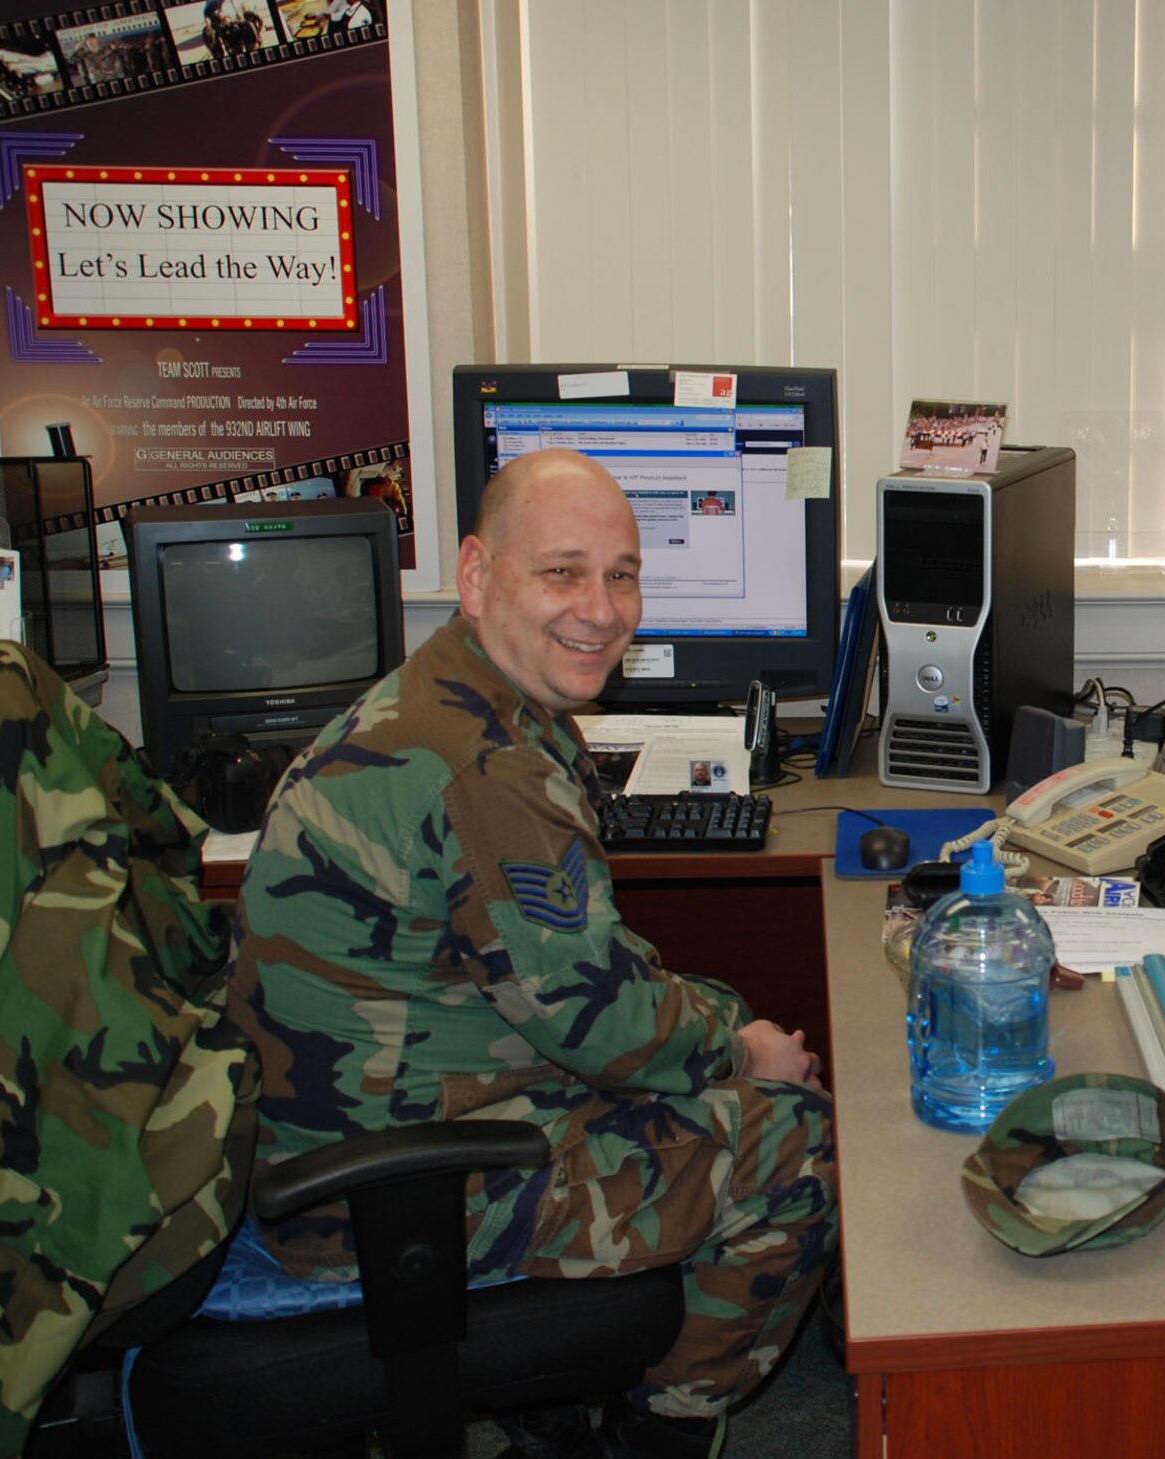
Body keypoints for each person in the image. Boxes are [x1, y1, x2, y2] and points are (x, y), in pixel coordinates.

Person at [228, 448, 835, 1459]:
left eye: (622, 572)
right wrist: (750, 1051)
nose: (601, 607)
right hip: (386, 1204)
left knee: (724, 1012)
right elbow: (605, 1026)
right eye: (562, 571)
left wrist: (727, 1021)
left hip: (365, 1128)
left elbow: (583, 975)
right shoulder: (485, 765)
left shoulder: (446, 700)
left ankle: (547, 1399)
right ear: (476, 576)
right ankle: (659, 1430)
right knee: (796, 1139)